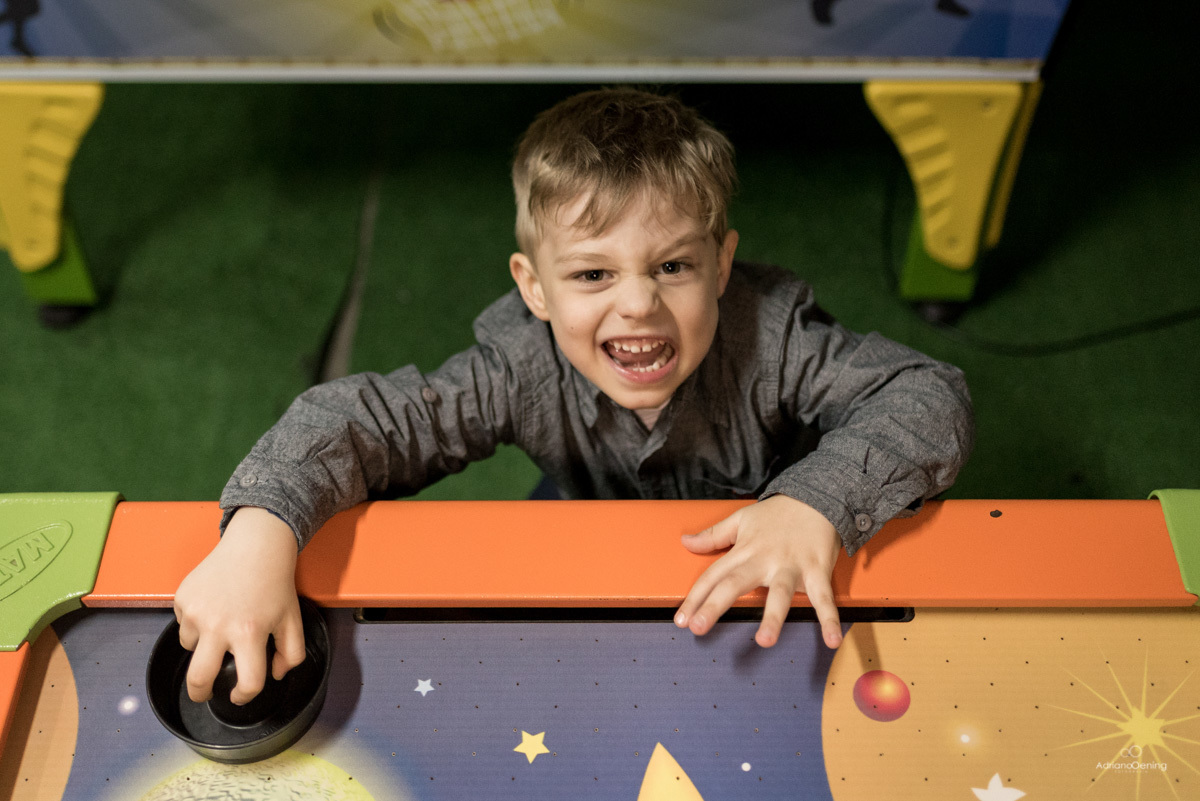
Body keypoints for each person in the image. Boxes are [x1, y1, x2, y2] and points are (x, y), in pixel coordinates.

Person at [173, 87, 974, 705]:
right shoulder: (521, 367)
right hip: (586, 515)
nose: (637, 305)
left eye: (673, 267)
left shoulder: (774, 335)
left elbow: (926, 392)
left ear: (722, 268)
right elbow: (357, 422)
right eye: (593, 273)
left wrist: (816, 504)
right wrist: (259, 536)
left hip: (768, 540)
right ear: (536, 289)